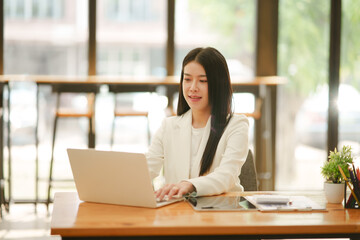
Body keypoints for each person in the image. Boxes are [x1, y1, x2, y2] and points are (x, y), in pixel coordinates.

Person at [146, 47, 249, 201]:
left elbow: (226, 176)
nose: (193, 88)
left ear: (218, 84)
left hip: (222, 214)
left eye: (203, 81)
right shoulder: (168, 126)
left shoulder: (236, 126)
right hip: (177, 214)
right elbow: (146, 170)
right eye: (187, 79)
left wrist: (189, 185)